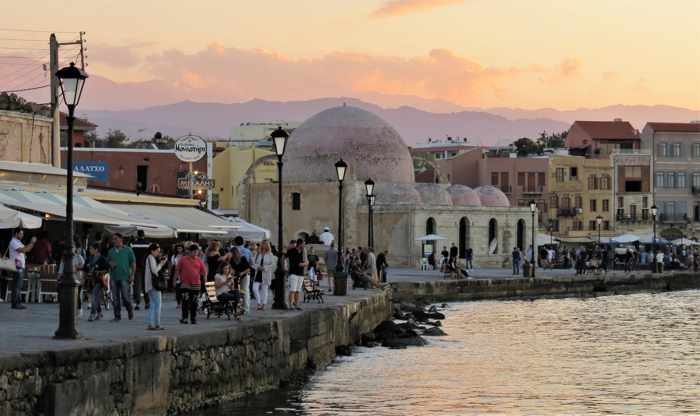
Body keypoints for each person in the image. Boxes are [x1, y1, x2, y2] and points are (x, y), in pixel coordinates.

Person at [107, 233, 135, 321]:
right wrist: (110, 264)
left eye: (115, 239)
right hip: (114, 277)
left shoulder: (128, 250)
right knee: (115, 298)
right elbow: (108, 262)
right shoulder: (111, 251)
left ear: (121, 239)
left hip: (125, 277)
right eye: (113, 239)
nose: (114, 241)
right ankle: (117, 316)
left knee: (125, 297)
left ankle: (129, 309)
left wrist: (132, 274)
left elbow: (133, 263)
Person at [177, 244, 206, 324]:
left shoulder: (199, 260)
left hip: (196, 284)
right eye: (194, 251)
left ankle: (193, 318)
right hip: (185, 284)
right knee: (185, 301)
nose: (196, 253)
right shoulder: (183, 259)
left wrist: (205, 280)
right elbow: (177, 270)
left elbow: (203, 271)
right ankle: (185, 318)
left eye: (197, 252)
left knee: (194, 302)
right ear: (189, 251)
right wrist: (174, 280)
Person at [8, 228, 35, 309]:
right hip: (17, 265)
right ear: (16, 234)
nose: (22, 235)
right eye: (21, 233)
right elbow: (23, 250)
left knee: (18, 285)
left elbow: (27, 250)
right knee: (17, 285)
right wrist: (32, 242)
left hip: (20, 265)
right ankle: (16, 303)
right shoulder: (13, 242)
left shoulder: (18, 242)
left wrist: (31, 244)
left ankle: (17, 302)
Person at [144, 243, 167, 330]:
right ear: (152, 251)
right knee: (157, 304)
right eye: (157, 251)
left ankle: (151, 324)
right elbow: (154, 271)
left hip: (150, 284)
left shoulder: (150, 258)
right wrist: (161, 264)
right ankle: (157, 324)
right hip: (153, 284)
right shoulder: (151, 258)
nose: (158, 253)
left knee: (153, 305)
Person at [85, 243, 109, 321]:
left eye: (91, 249)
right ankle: (99, 313)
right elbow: (85, 267)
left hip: (99, 280)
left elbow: (107, 269)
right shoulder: (89, 258)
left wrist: (100, 272)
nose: (90, 250)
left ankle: (92, 313)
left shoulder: (102, 258)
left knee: (94, 296)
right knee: (96, 298)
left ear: (96, 250)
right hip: (90, 280)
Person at [252, 240, 277, 311]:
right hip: (258, 273)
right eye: (262, 244)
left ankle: (263, 304)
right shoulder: (258, 254)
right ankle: (259, 302)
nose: (263, 245)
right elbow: (253, 263)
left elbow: (273, 265)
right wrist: (258, 267)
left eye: (265, 244)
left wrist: (265, 268)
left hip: (266, 274)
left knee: (264, 290)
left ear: (267, 245)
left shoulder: (270, 254)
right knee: (254, 288)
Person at [130, 230, 150, 311]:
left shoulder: (132, 244)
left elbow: (131, 256)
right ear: (144, 235)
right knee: (146, 285)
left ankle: (137, 303)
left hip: (136, 266)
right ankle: (147, 302)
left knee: (137, 285)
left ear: (137, 235)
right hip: (146, 266)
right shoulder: (148, 244)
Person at [229, 246, 252, 313]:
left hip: (245, 275)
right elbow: (231, 268)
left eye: (233, 253)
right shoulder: (231, 260)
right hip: (237, 276)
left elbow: (248, 269)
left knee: (245, 290)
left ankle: (246, 308)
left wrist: (242, 273)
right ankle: (239, 306)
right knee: (238, 291)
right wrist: (232, 272)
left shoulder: (243, 258)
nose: (232, 255)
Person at [286, 239, 307, 310]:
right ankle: (290, 305)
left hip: (300, 273)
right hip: (293, 273)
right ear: (300, 244)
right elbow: (285, 256)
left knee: (298, 290)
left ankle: (296, 305)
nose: (304, 245)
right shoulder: (292, 251)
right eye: (303, 244)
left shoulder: (303, 251)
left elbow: (305, 262)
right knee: (292, 290)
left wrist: (304, 263)